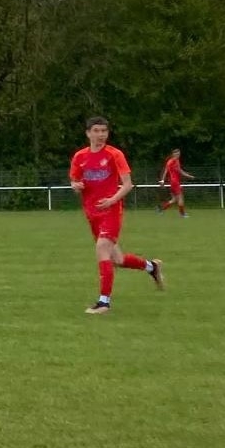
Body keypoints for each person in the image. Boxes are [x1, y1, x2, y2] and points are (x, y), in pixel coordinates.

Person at [68, 116, 165, 315]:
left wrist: (112, 200)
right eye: (96, 131)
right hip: (92, 213)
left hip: (111, 211)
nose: (100, 135)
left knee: (102, 248)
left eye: (104, 131)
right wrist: (76, 186)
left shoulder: (114, 154)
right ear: (88, 133)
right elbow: (75, 182)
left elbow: (128, 184)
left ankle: (104, 302)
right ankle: (152, 267)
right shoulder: (80, 157)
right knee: (117, 259)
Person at [156, 148, 195, 217]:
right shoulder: (173, 161)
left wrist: (163, 180)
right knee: (180, 198)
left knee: (174, 199)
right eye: (176, 154)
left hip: (173, 182)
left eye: (179, 154)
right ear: (173, 154)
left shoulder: (173, 161)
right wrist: (189, 176)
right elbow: (177, 171)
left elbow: (172, 170)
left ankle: (161, 209)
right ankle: (182, 214)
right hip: (175, 182)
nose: (178, 155)